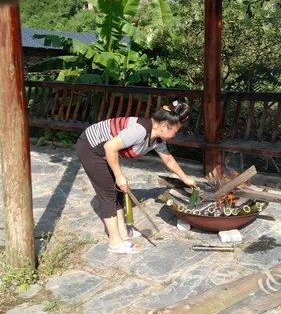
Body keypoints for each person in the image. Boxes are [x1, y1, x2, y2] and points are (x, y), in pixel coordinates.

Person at [76, 100, 196, 254]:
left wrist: (185, 178)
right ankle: (115, 243)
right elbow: (109, 146)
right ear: (165, 126)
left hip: (105, 150)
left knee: (119, 192)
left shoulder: (157, 138)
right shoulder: (140, 131)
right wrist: (119, 176)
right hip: (90, 147)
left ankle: (124, 233)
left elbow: (167, 158)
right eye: (175, 131)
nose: (174, 135)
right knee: (108, 194)